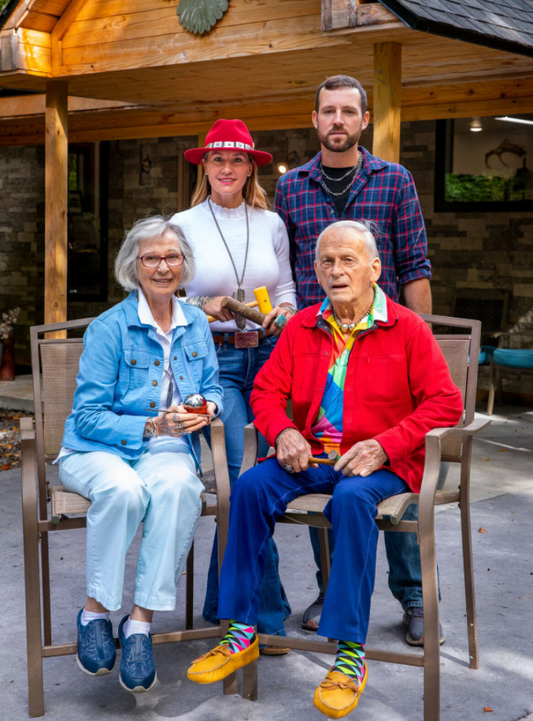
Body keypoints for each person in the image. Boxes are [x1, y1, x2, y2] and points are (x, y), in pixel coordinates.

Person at [186, 222, 463, 718]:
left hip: (383, 461)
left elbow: (445, 404)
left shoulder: (406, 327)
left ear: (375, 269)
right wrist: (281, 432)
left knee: (353, 499)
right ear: (315, 271)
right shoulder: (302, 325)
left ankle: (350, 654)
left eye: (348, 260)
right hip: (314, 454)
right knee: (248, 487)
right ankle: (242, 628)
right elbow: (265, 392)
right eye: (327, 262)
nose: (337, 271)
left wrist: (385, 443)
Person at [275, 74, 438, 645]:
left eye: (348, 112)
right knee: (327, 462)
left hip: (386, 344)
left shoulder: (395, 180)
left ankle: (414, 596)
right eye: (328, 112)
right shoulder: (291, 188)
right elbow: (287, 270)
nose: (337, 121)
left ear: (363, 120)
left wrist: (425, 342)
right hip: (321, 345)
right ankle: (331, 588)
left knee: (386, 460)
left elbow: (414, 265)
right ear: (315, 120)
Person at [58, 215, 223, 693]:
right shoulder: (111, 328)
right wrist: (151, 423)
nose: (163, 266)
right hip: (96, 449)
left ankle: (139, 625)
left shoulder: (196, 324)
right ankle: (94, 613)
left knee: (177, 487)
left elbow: (213, 388)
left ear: (184, 264)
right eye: (151, 257)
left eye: (172, 256)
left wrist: (205, 407)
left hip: (166, 447)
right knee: (124, 489)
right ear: (134, 265)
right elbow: (87, 417)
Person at [170, 119, 297, 652]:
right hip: (211, 363)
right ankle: (264, 618)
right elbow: (163, 295)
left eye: (237, 160)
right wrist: (205, 305)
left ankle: (225, 607)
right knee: (243, 480)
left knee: (247, 487)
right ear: (205, 166)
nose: (227, 168)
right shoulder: (180, 223)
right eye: (217, 159)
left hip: (268, 359)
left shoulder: (270, 223)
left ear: (250, 168)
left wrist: (285, 312)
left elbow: (286, 284)